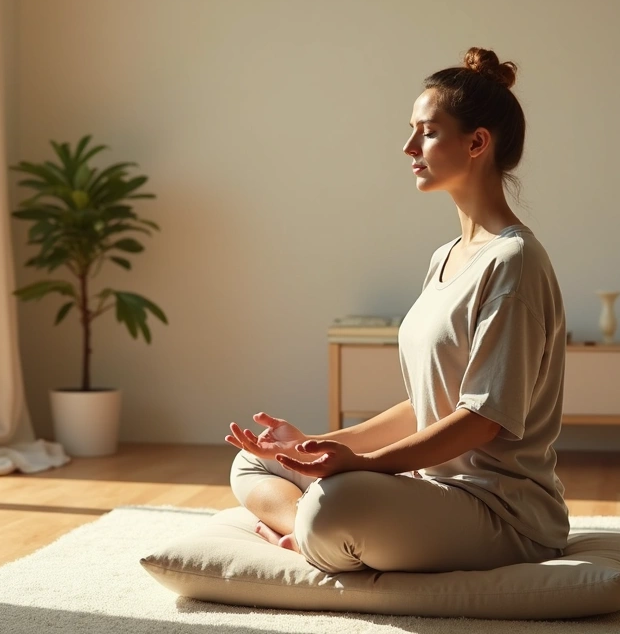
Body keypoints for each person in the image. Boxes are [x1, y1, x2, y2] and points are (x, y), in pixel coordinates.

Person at [225, 47, 570, 575]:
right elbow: (426, 405)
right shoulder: (446, 257)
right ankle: (310, 534)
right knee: (255, 462)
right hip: (427, 491)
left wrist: (363, 466)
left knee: (335, 503)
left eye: (427, 132)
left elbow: (480, 421)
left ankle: (313, 532)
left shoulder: (514, 262)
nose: (408, 146)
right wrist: (315, 446)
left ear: (477, 142)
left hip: (500, 512)